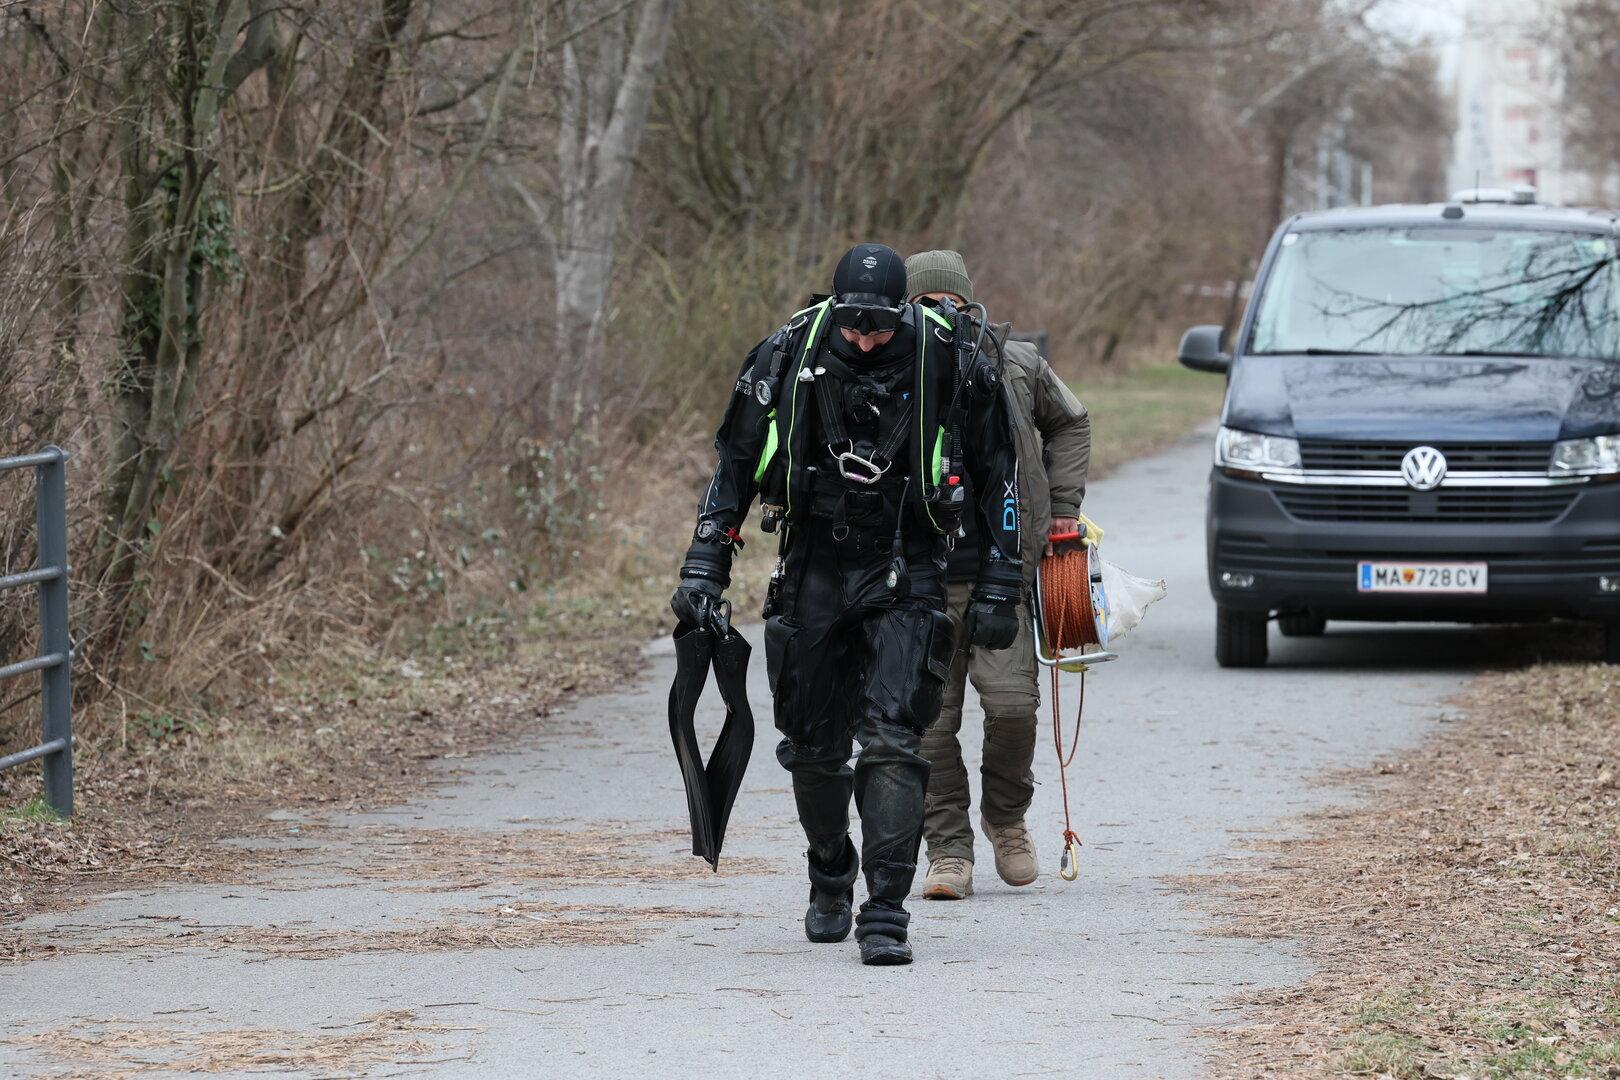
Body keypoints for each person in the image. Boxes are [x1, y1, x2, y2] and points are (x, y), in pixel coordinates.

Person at [671, 243, 1024, 965]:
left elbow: (999, 476)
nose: (866, 338)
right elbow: (734, 464)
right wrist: (706, 562)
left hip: (908, 566)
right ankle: (831, 870)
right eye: (854, 324)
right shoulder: (785, 354)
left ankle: (886, 909)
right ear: (835, 309)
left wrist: (999, 580)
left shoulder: (952, 359)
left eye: (880, 326)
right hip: (813, 566)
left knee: (894, 738)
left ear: (902, 312)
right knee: (812, 748)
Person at [904, 250, 1091, 900]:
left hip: (1001, 568)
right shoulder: (887, 368)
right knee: (928, 724)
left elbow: (1070, 421)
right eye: (925, 305)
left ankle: (1005, 818)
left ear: (966, 302)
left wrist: (1063, 512)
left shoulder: (1012, 361)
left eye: (948, 303)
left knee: (1013, 710)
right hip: (917, 581)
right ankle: (948, 850)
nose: (939, 316)